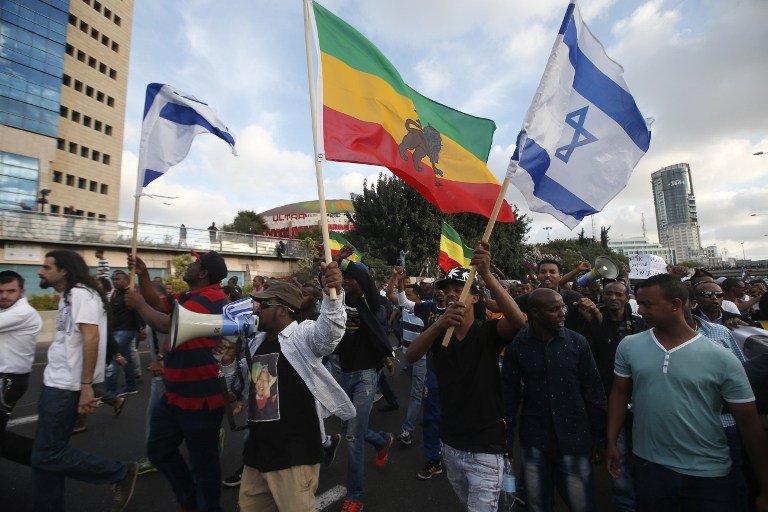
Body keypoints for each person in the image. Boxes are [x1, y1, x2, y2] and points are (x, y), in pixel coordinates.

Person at [607, 273, 768, 512]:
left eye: (647, 304)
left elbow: (748, 421)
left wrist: (765, 489)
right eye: (639, 303)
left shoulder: (721, 357)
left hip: (708, 473)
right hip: (650, 468)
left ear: (675, 305)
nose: (639, 310)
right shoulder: (629, 346)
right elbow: (620, 393)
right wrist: (611, 441)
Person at [218, 271, 354, 512]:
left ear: (282, 309)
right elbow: (239, 386)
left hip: (295, 454)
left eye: (263, 305)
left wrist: (334, 296)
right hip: (257, 453)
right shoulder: (255, 342)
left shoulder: (302, 335)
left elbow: (328, 335)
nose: (256, 310)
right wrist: (227, 361)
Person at [407, 243, 527, 510]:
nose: (451, 295)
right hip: (450, 444)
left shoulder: (488, 332)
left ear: (474, 298)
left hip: (486, 447)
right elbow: (411, 355)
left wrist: (486, 275)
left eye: (459, 290)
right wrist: (439, 323)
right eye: (446, 291)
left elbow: (518, 321)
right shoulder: (440, 334)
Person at [32, 249, 137, 512]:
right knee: (48, 456)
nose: (40, 271)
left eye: (46, 267)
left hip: (66, 386)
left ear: (64, 270)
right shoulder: (70, 295)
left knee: (47, 454)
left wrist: (86, 387)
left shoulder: (82, 294)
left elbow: (91, 338)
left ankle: (117, 473)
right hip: (56, 381)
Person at [126, 249, 229, 512]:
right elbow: (159, 303)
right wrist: (144, 276)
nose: (191, 266)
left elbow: (167, 324)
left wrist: (138, 305)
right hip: (175, 394)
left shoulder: (211, 299)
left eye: (196, 263)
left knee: (203, 466)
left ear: (203, 273)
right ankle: (190, 499)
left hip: (200, 398)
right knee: (158, 450)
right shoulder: (189, 296)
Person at [503, 287, 607, 512]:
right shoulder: (517, 347)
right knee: (537, 505)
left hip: (575, 439)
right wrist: (507, 439)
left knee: (582, 505)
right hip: (535, 442)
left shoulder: (577, 343)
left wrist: (599, 438)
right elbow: (509, 396)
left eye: (563, 307)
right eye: (554, 309)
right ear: (535, 313)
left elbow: (594, 391)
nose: (563, 313)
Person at [333, 253, 395, 511]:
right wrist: (328, 267)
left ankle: (355, 495)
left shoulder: (372, 302)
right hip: (341, 371)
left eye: (351, 279)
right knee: (352, 427)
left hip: (367, 375)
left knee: (352, 436)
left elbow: (363, 278)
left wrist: (340, 261)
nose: (347, 282)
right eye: (344, 279)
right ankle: (382, 441)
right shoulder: (339, 301)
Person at [582, 280, 646, 511]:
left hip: (639, 401)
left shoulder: (639, 324)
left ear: (626, 296)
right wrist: (592, 325)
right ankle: (624, 504)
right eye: (608, 293)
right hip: (610, 399)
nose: (612, 298)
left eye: (618, 293)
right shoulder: (594, 322)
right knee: (618, 454)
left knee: (641, 455)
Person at [0, 270, 42, 465]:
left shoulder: (22, 312)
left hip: (9, 381)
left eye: (11, 291)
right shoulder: (6, 310)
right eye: (0, 291)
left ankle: (49, 458)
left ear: (22, 292)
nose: (5, 296)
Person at [515, 259, 602, 332]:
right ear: (537, 276)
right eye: (543, 272)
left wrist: (595, 311)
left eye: (552, 272)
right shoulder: (527, 298)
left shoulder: (574, 297)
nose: (547, 275)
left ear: (560, 277)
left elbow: (595, 321)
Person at [106, 271, 141, 397]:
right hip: (116, 329)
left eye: (118, 279)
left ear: (126, 280)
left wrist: (140, 329)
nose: (115, 281)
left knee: (115, 357)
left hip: (126, 330)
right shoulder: (115, 293)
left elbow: (137, 311)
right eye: (113, 279)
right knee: (126, 360)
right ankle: (131, 386)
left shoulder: (130, 293)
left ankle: (110, 392)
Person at [692, 281, 759, 329]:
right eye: (707, 294)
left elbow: (759, 334)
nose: (714, 298)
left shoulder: (737, 319)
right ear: (696, 298)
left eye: (719, 294)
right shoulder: (687, 318)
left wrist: (745, 326)